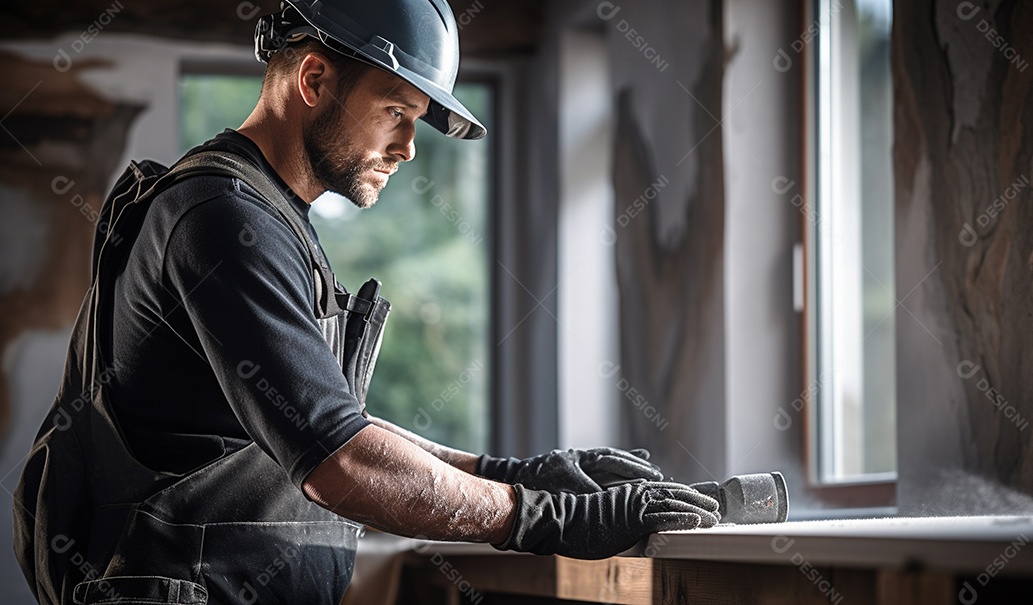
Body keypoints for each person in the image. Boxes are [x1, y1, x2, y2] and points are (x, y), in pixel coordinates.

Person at [14, 1, 719, 603]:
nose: (409, 147)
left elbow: (323, 422)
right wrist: (537, 516)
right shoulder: (223, 217)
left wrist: (506, 472)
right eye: (396, 111)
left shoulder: (269, 215)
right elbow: (340, 460)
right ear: (315, 79)